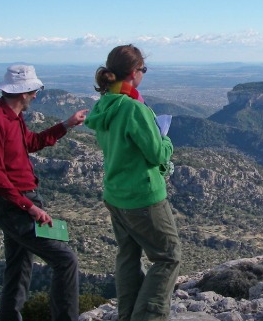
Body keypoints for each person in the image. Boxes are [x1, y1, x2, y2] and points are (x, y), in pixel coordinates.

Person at [0, 64, 88, 321]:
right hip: (12, 204)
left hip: (18, 201)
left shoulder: (13, 117)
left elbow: (31, 143)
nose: (36, 95)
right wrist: (30, 207)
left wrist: (66, 125)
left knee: (18, 270)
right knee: (65, 260)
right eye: (34, 90)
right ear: (23, 92)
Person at [84, 44, 181, 321]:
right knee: (168, 257)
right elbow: (156, 153)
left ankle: (126, 315)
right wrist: (167, 140)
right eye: (143, 69)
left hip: (115, 195)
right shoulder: (133, 109)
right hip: (143, 196)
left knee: (128, 256)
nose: (143, 74)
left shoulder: (105, 105)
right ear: (133, 72)